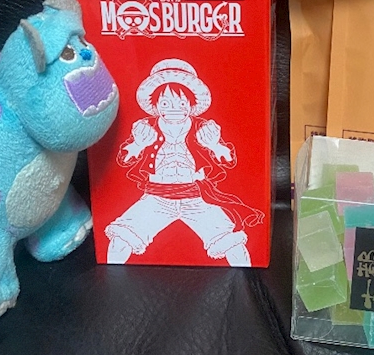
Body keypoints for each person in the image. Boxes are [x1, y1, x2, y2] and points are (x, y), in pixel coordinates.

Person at [105, 59, 262, 266]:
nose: (174, 109)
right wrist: (138, 145)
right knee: (122, 237)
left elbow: (229, 161)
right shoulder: (145, 128)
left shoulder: (203, 128)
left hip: (197, 198)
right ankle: (113, 277)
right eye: (165, 103)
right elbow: (124, 159)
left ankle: (247, 279)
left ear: (191, 104)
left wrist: (215, 146)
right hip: (156, 198)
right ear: (155, 105)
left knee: (231, 242)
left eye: (181, 103)